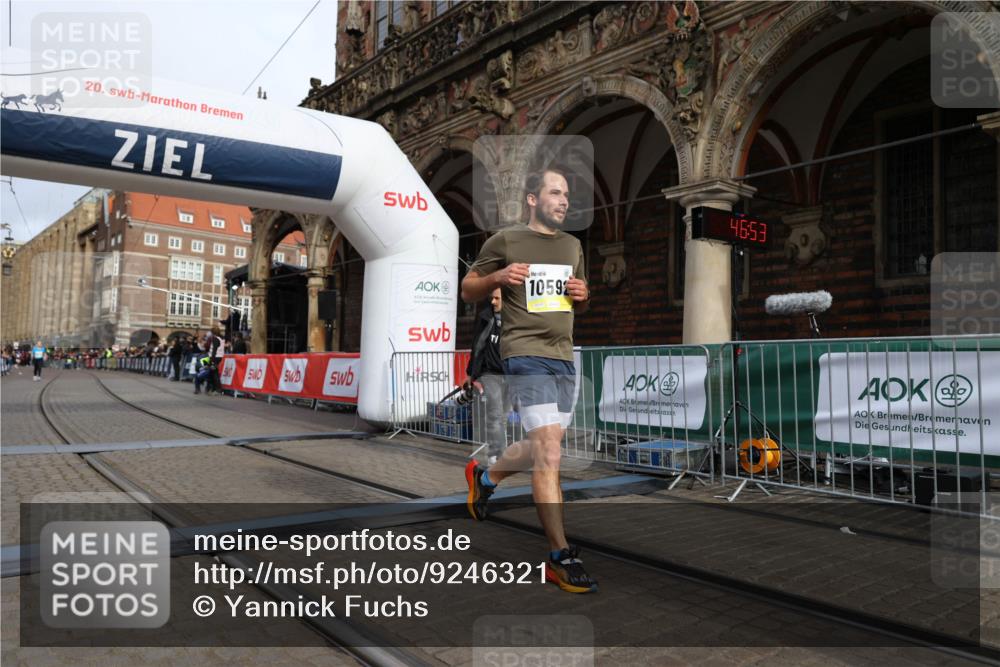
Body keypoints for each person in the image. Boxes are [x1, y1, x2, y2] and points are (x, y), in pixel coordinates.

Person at [460, 167, 596, 594]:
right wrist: (498, 277)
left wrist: (584, 295)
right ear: (533, 200)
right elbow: (468, 289)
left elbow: (578, 305)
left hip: (563, 358)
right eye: (555, 193)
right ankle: (559, 555)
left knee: (543, 443)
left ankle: (486, 479)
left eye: (566, 194)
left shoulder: (573, 245)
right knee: (550, 454)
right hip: (524, 356)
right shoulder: (506, 240)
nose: (563, 200)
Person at [464, 288, 506, 465]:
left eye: (497, 298)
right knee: (495, 414)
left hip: (511, 372)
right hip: (490, 373)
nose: (493, 302)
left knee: (504, 415)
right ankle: (495, 454)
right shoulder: (485, 317)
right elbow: (478, 346)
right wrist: (470, 374)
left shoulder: (516, 319)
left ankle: (503, 453)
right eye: (491, 298)